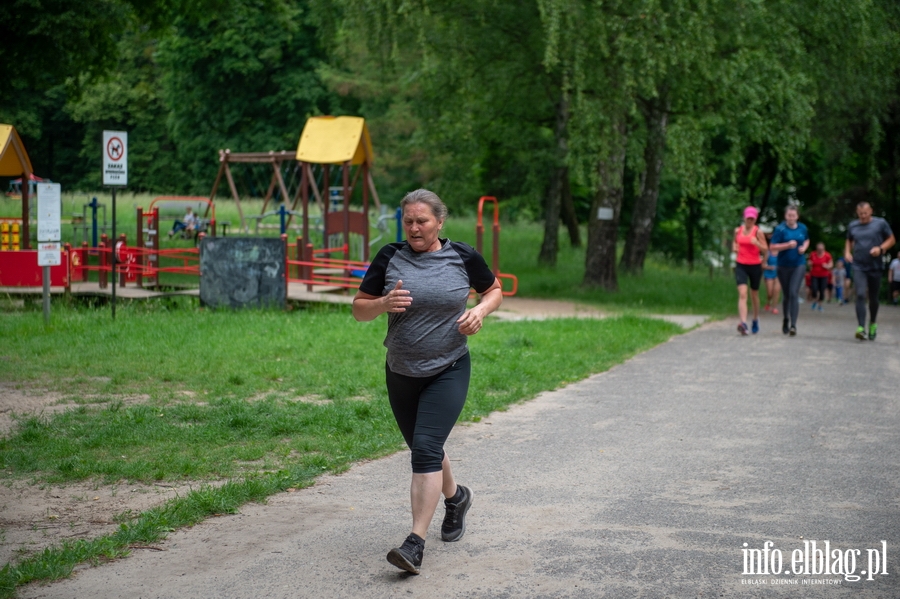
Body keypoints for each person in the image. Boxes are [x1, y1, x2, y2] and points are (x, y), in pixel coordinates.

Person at [352, 189, 503, 575]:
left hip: (448, 367)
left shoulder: (463, 256)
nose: (415, 228)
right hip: (401, 370)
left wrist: (481, 310)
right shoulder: (390, 256)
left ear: (440, 222)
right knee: (427, 448)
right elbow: (359, 309)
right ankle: (457, 498)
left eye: (422, 221)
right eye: (408, 221)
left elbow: (494, 289)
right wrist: (382, 304)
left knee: (425, 448)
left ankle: (414, 543)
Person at [845, 201, 895, 340]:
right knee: (860, 294)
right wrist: (847, 252)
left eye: (865, 213)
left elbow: (891, 239)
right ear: (857, 213)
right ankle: (861, 327)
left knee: (873, 298)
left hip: (875, 265)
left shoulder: (880, 223)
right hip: (859, 265)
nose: (863, 216)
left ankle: (872, 322)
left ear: (871, 211)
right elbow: (848, 240)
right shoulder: (853, 225)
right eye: (860, 214)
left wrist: (880, 248)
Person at [769, 205, 810, 336]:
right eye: (789, 215)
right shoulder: (780, 229)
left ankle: (793, 325)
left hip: (799, 264)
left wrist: (804, 247)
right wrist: (786, 245)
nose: (791, 218)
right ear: (785, 216)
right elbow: (772, 247)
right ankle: (786, 318)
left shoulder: (802, 228)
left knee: (793, 292)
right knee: (787, 295)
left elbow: (807, 240)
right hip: (783, 265)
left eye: (794, 215)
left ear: (797, 216)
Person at [732, 206, 767, 335]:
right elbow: (735, 243)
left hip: (755, 266)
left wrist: (757, 244)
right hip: (741, 264)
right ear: (744, 218)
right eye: (748, 219)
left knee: (754, 295)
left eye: (752, 219)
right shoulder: (738, 230)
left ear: (755, 219)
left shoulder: (758, 232)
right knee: (742, 293)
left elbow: (765, 249)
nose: (750, 221)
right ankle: (743, 323)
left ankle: (755, 319)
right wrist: (735, 248)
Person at [807, 242, 833, 311]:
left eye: (821, 249)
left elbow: (831, 264)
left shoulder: (827, 255)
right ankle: (815, 300)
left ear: (824, 249)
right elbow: (809, 261)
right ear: (817, 249)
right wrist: (810, 263)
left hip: (824, 275)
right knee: (814, 289)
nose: (820, 250)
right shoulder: (813, 254)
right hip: (814, 275)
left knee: (822, 290)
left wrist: (827, 266)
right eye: (819, 249)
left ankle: (820, 305)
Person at [763, 240, 780, 314]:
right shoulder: (768, 253)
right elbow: (762, 265)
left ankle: (774, 307)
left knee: (776, 290)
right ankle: (768, 302)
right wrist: (769, 267)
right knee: (770, 292)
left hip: (778, 274)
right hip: (769, 274)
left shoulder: (780, 254)